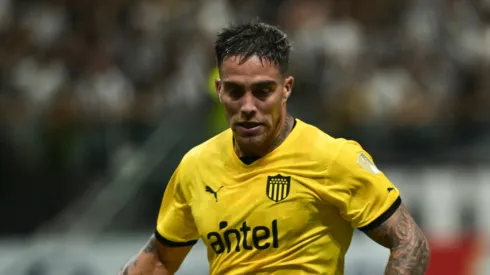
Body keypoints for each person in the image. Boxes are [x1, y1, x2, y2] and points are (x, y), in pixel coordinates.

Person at [118, 21, 430, 275]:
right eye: (235, 92)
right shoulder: (195, 166)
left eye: (262, 91)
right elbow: (159, 260)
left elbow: (410, 242)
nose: (248, 107)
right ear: (219, 90)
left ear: (286, 88)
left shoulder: (332, 157)